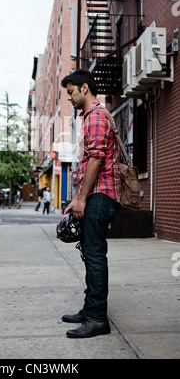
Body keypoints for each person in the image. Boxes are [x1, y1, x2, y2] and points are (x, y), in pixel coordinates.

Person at [60, 69, 121, 339]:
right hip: (93, 194)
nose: (69, 98)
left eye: (71, 92)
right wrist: (75, 199)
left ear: (84, 88)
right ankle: (90, 308)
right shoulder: (91, 116)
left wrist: (82, 198)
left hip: (100, 195)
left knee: (95, 255)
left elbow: (95, 160)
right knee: (89, 252)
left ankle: (97, 318)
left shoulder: (95, 116)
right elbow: (86, 166)